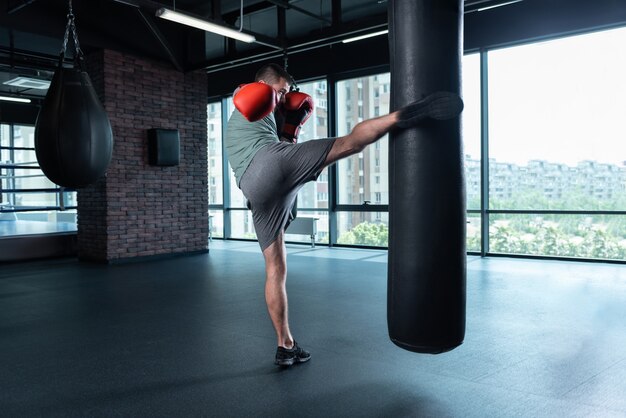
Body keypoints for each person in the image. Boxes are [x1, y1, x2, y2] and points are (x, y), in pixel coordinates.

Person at [224, 63, 463, 367]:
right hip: (270, 164)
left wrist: (290, 128)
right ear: (263, 84)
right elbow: (247, 98)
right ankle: (405, 115)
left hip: (255, 189)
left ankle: (285, 346)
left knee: (276, 269)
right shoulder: (248, 95)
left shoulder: (264, 116)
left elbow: (284, 146)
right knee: (350, 143)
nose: (284, 98)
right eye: (281, 91)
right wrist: (266, 95)